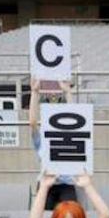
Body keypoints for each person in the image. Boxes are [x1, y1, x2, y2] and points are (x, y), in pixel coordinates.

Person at [28, 77, 78, 208]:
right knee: (42, 217)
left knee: (71, 214)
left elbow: (75, 119)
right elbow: (32, 122)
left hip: (66, 183)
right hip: (46, 182)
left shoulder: (68, 135)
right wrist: (34, 92)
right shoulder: (40, 139)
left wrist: (68, 92)